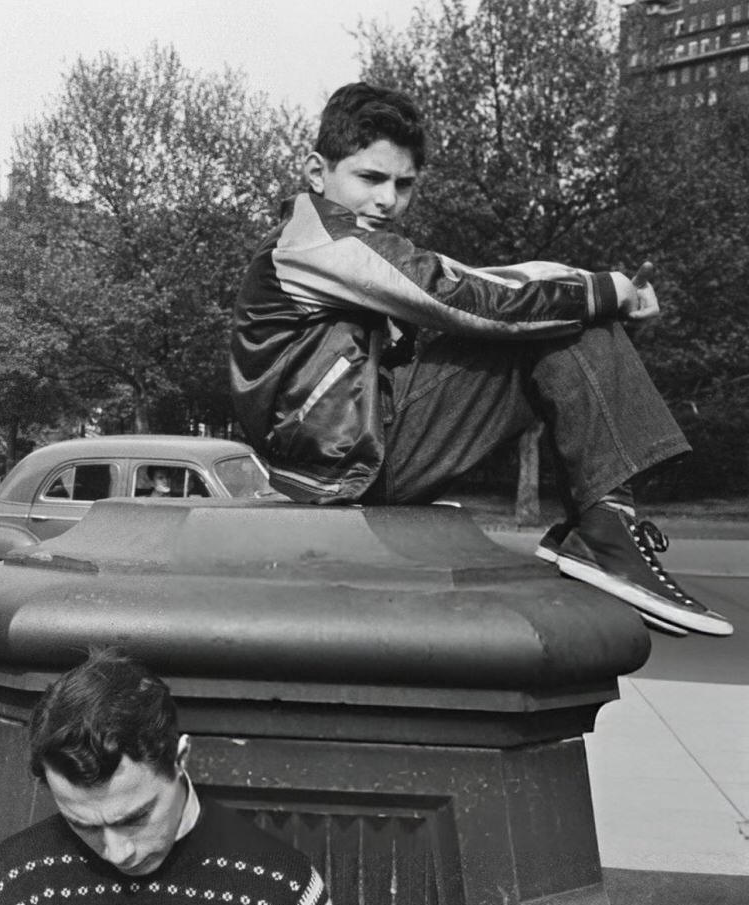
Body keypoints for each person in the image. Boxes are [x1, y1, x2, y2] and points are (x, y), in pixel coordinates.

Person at [231, 82, 733, 638]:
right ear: (317, 172)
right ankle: (604, 531)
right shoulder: (317, 241)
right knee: (563, 322)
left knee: (565, 315)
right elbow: (461, 298)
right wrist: (602, 294)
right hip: (346, 463)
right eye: (370, 178)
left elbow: (490, 281)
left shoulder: (357, 246)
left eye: (404, 185)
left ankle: (605, 526)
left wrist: (600, 291)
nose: (387, 200)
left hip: (354, 449)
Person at [0, 649, 336, 905]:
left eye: (134, 819)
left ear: (180, 759)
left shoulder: (279, 888)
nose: (117, 852)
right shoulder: (13, 883)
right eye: (83, 825)